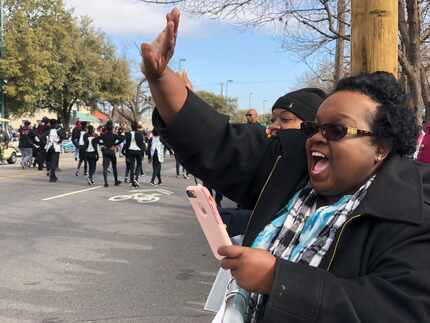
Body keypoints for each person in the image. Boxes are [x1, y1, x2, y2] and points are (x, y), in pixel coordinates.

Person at [141, 9, 430, 322]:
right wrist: (160, 77)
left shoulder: (413, 209)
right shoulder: (289, 165)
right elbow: (218, 141)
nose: (317, 138)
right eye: (314, 128)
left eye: (336, 131)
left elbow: (400, 309)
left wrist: (280, 280)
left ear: (381, 147)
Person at [220, 88, 326, 237]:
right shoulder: (274, 159)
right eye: (273, 120)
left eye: (285, 119)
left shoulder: (319, 180)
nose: (274, 126)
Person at [96, 120, 123, 187]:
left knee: (105, 167)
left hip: (105, 151)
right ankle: (116, 181)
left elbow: (95, 140)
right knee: (114, 166)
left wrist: (102, 144)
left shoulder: (103, 135)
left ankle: (106, 183)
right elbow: (122, 139)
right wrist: (115, 144)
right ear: (112, 128)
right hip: (111, 151)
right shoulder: (114, 135)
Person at [124, 121, 146, 187]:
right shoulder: (140, 134)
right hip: (138, 151)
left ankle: (132, 180)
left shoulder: (128, 134)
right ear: (137, 127)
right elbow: (142, 145)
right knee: (139, 165)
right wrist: (143, 154)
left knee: (132, 166)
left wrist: (126, 155)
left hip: (130, 151)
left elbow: (126, 145)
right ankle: (136, 178)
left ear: (131, 127)